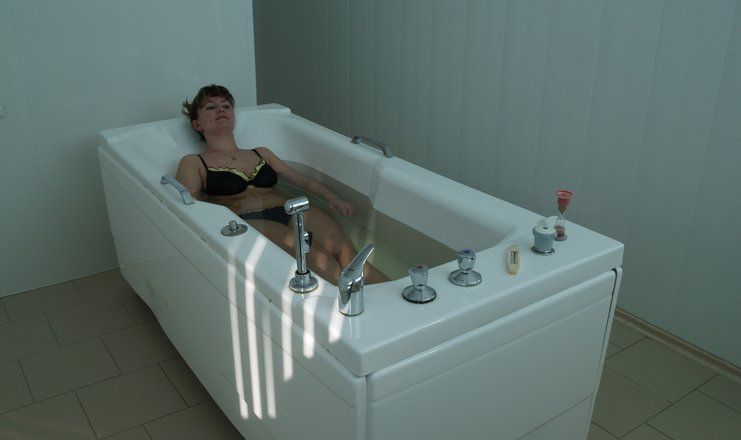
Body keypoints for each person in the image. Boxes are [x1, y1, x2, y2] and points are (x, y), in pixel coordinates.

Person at [176, 84, 388, 284]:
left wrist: (332, 198)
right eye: (210, 107)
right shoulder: (193, 162)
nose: (221, 110)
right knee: (317, 258)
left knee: (350, 257)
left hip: (289, 209)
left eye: (226, 105)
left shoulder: (261, 153)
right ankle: (352, 305)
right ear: (197, 124)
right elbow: (190, 208)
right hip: (246, 219)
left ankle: (400, 300)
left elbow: (301, 180)